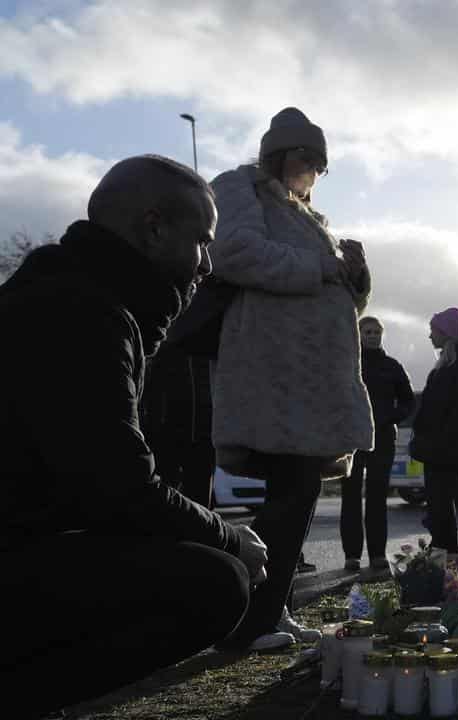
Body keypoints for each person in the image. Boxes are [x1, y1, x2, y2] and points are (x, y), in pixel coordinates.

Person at [0, 155, 268, 719]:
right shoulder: (80, 311)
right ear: (153, 228)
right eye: (201, 241)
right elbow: (118, 489)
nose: (206, 266)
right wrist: (230, 538)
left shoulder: (73, 294)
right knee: (216, 582)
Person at [209, 107, 374, 650]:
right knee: (291, 490)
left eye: (322, 167)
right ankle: (246, 619)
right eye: (309, 161)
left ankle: (268, 608)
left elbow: (337, 296)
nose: (314, 174)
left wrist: (356, 279)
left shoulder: (309, 218)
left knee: (299, 490)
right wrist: (327, 268)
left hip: (311, 382)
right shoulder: (241, 189)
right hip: (274, 373)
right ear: (279, 153)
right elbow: (233, 253)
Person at [410, 307, 458, 554]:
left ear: (446, 333)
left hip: (446, 447)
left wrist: (443, 432)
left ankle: (447, 551)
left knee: (441, 503)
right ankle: (442, 549)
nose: (430, 336)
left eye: (433, 330)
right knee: (437, 503)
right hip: (439, 447)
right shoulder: (449, 362)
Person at [342, 316, 416, 571]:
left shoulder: (392, 366)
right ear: (359, 334)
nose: (372, 336)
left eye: (376, 332)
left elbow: (408, 402)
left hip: (383, 439)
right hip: (351, 439)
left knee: (376, 497)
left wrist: (390, 418)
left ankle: (377, 555)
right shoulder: (348, 363)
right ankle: (351, 555)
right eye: (368, 332)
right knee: (350, 497)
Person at [140, 346, 217, 507]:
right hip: (171, 437)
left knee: (197, 503)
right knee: (167, 500)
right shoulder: (165, 352)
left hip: (199, 438)